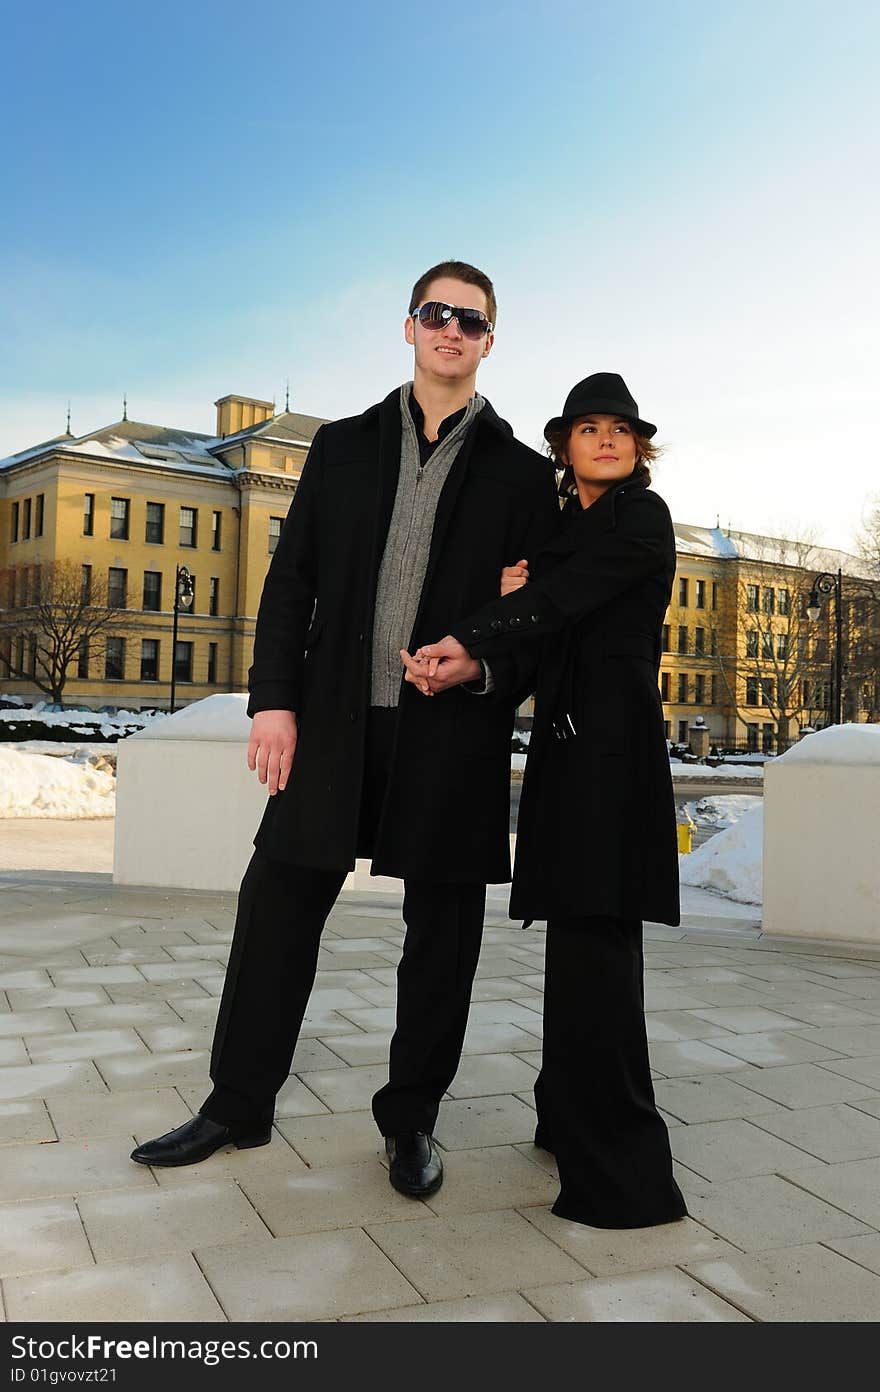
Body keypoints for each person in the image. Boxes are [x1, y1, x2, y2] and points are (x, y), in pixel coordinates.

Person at [130, 260, 560, 1198]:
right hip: (329, 725)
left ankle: (412, 1121)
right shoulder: (344, 445)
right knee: (276, 908)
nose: (452, 330)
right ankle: (237, 1103)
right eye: (436, 313)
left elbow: (537, 621)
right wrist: (272, 700)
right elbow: (291, 585)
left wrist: (484, 661)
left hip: (449, 739)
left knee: (441, 940)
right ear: (409, 326)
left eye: (472, 320)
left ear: (490, 341)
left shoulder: (527, 477)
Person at [403, 373, 688, 1228]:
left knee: (598, 940)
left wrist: (480, 621)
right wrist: (477, 646)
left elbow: (564, 596)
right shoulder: (560, 530)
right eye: (588, 427)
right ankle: (565, 1117)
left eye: (621, 429)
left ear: (638, 448)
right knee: (574, 935)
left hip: (612, 749)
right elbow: (541, 616)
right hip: (565, 749)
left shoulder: (644, 517)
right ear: (564, 445)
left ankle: (622, 1173)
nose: (605, 439)